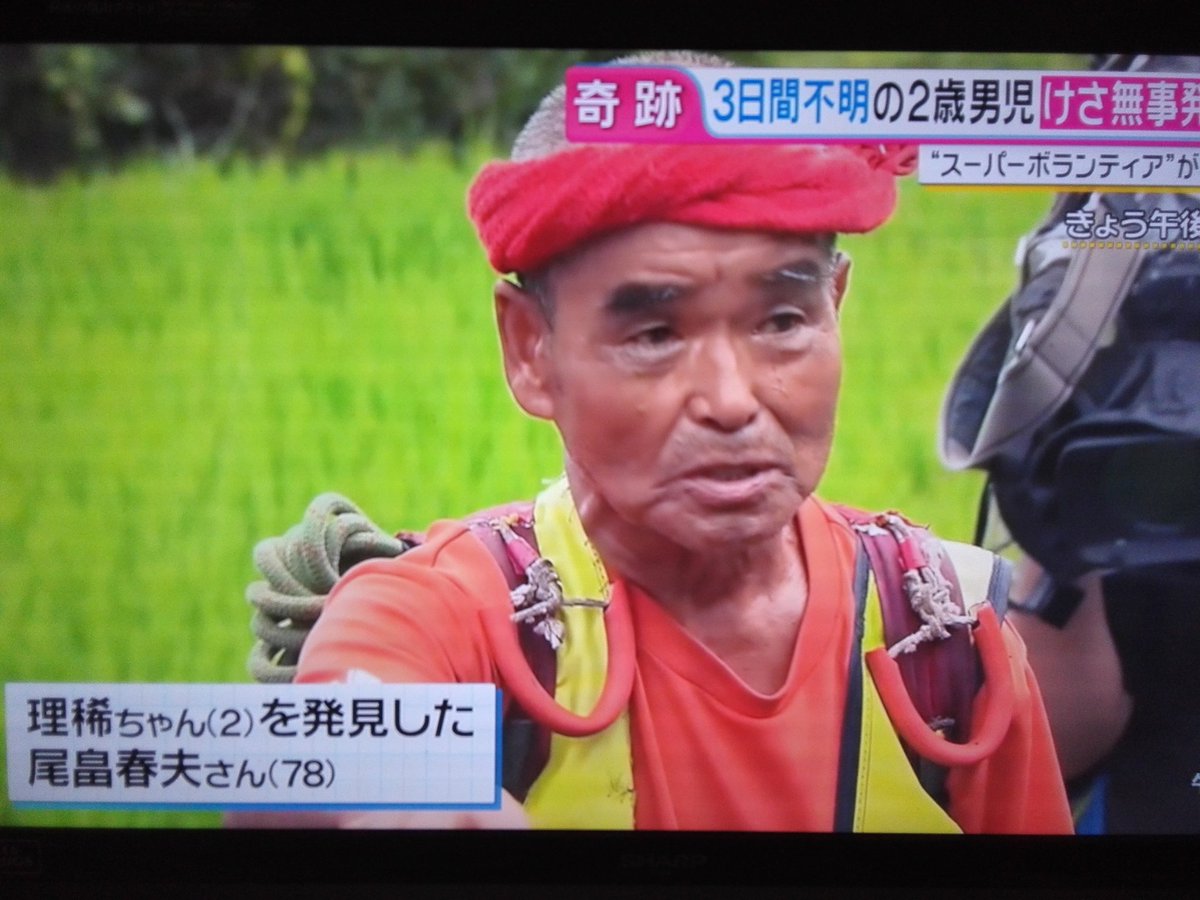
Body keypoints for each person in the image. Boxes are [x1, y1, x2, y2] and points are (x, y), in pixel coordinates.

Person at [283, 52, 1072, 833]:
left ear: (835, 305)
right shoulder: (448, 615)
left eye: (782, 321)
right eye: (655, 335)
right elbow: (319, 756)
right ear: (531, 351)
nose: (731, 401)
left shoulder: (943, 633)